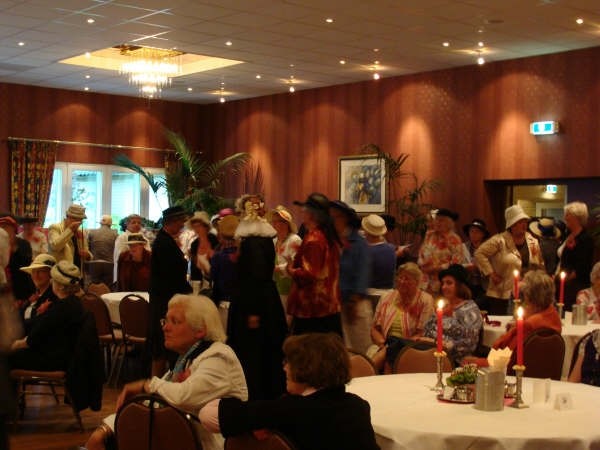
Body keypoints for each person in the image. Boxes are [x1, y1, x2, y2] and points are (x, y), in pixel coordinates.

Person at [84, 294, 248, 450]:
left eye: (175, 322)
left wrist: (146, 385)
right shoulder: (185, 359)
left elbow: (183, 396)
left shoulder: (219, 356)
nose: (165, 328)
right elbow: (154, 403)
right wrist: (106, 428)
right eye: (165, 321)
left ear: (200, 330)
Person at [199, 333, 380, 450]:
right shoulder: (358, 406)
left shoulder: (289, 409)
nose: (284, 367)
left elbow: (207, 414)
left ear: (306, 369)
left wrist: (256, 420)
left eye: (289, 362)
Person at [228, 194, 287, 400]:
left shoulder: (253, 243)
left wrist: (253, 312)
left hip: (254, 303)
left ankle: (256, 395)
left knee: (255, 351)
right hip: (262, 300)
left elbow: (257, 277)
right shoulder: (261, 240)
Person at [464, 270, 561, 367]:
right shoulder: (553, 316)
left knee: (467, 362)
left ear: (529, 296)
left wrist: (477, 362)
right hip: (543, 369)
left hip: (512, 370)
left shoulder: (528, 325)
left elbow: (506, 360)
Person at [9, 260, 84, 371]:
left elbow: (31, 340)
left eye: (53, 280)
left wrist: (10, 346)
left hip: (56, 360)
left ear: (60, 286)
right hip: (66, 357)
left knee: (6, 357)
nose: (51, 282)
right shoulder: (75, 303)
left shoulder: (59, 308)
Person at [288, 193, 342, 337]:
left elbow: (310, 274)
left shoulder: (314, 239)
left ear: (312, 215)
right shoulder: (329, 236)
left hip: (313, 309)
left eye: (304, 211)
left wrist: (291, 271)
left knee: (310, 349)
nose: (303, 214)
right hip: (328, 306)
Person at [474, 204, 545, 315]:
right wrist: (490, 273)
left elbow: (539, 264)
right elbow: (479, 254)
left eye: (525, 221)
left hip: (526, 292)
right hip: (502, 293)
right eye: (520, 222)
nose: (524, 224)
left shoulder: (532, 241)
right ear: (512, 225)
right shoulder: (499, 240)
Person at [149, 206, 192, 377]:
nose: (182, 225)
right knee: (161, 346)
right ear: (172, 222)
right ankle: (158, 385)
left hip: (163, 299)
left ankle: (159, 384)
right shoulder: (164, 244)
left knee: (160, 347)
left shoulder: (165, 240)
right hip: (165, 302)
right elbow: (172, 276)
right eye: (180, 221)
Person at [370, 262, 434, 372]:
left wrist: (397, 345)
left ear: (417, 282)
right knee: (388, 351)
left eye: (407, 279)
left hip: (410, 347)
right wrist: (383, 344)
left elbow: (421, 333)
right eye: (400, 277)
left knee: (391, 352)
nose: (402, 281)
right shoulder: (386, 297)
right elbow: (374, 329)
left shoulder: (425, 300)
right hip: (384, 345)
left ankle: (365, 372)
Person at [330, 200, 371, 353]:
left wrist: (353, 301)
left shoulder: (358, 242)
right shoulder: (332, 241)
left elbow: (363, 273)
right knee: (343, 349)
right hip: (337, 304)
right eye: (331, 217)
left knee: (361, 348)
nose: (333, 221)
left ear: (345, 218)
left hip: (356, 304)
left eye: (337, 216)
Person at [421, 264, 483, 365]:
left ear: (460, 286)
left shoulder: (469, 310)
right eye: (443, 283)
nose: (444, 287)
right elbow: (427, 329)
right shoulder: (443, 306)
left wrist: (443, 344)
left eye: (449, 283)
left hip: (455, 362)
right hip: (431, 354)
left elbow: (469, 343)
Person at [417, 208, 465, 294]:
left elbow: (456, 262)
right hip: (424, 280)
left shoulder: (454, 239)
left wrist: (436, 268)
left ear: (449, 223)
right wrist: (421, 263)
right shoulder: (429, 235)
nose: (437, 222)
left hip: (441, 282)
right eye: (436, 220)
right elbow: (421, 252)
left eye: (441, 220)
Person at [558, 201, 594, 310]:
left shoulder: (586, 239)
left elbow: (583, 266)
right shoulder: (568, 235)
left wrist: (567, 279)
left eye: (568, 214)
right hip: (564, 284)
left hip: (575, 286)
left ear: (577, 217)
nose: (565, 217)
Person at [271, 206, 302, 315]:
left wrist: (277, 268)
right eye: (273, 221)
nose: (274, 224)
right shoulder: (274, 241)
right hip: (276, 287)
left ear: (286, 223)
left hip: (291, 288)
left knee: (288, 318)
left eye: (278, 221)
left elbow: (298, 265)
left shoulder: (294, 240)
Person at [18, 253, 58, 333]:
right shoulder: (35, 296)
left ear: (50, 274)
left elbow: (40, 328)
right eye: (33, 271)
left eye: (40, 271)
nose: (36, 275)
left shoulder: (52, 298)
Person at [0, 214, 35, 303]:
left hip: (21, 289)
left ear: (14, 229)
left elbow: (25, 267)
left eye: (5, 227)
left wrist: (14, 249)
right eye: (1, 227)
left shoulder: (24, 244)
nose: (3, 230)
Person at [48, 204, 92, 269]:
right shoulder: (55, 228)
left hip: (77, 271)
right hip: (61, 271)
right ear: (68, 217)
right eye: (76, 220)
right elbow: (55, 246)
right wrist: (70, 230)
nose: (78, 223)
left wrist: (88, 256)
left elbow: (86, 251)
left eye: (80, 220)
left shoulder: (80, 232)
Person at [210, 215, 239, 305]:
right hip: (241, 301)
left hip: (223, 301)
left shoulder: (218, 256)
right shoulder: (245, 253)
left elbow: (213, 277)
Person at [362, 214, 396, 291]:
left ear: (366, 231)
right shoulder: (391, 248)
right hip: (389, 293)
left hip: (370, 292)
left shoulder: (365, 252)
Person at [462, 218, 490, 309]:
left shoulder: (489, 247)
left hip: (484, 286)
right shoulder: (463, 247)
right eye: (472, 231)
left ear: (483, 234)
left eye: (477, 231)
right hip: (467, 284)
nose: (474, 234)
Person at [113, 214, 150, 283]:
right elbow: (119, 257)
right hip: (126, 273)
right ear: (127, 225)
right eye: (133, 222)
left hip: (142, 274)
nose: (137, 224)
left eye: (139, 223)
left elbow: (148, 253)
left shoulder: (144, 238)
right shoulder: (122, 237)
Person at [187, 211, 218, 285]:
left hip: (216, 279)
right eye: (194, 226)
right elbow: (194, 267)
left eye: (199, 226)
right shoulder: (194, 244)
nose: (197, 229)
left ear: (206, 226)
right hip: (201, 283)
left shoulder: (214, 239)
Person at [87, 215, 118, 287]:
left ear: (100, 223)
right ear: (110, 224)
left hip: (94, 263)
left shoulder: (91, 233)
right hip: (109, 264)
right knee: (107, 287)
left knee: (94, 287)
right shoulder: (115, 234)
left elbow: (88, 248)